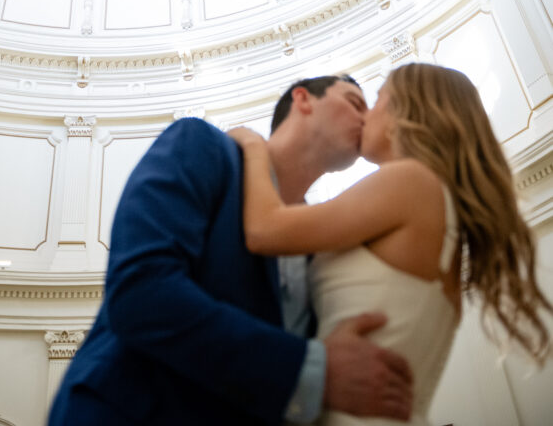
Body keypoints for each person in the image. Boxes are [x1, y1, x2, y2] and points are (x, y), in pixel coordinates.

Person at [48, 74, 413, 426]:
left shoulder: (321, 241)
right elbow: (140, 293)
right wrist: (310, 368)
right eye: (354, 103)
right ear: (302, 99)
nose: (366, 119)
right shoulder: (201, 144)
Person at [230, 63, 552, 426]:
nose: (366, 115)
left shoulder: (409, 182)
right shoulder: (432, 198)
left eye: (377, 99)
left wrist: (253, 145)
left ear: (405, 110)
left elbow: (264, 229)